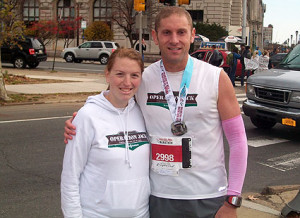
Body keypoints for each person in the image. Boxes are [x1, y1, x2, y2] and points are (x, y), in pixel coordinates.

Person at [64, 6, 248, 218]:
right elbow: (111, 98)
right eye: (166, 33)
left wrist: (233, 200)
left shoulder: (216, 78)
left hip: (208, 196)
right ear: (155, 36)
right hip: (159, 196)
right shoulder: (144, 78)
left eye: (181, 32)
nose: (174, 40)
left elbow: (238, 140)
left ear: (192, 36)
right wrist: (79, 118)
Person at [61, 48, 150, 218]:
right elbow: (70, 177)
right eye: (120, 74)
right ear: (107, 74)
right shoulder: (87, 116)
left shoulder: (142, 112)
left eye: (134, 75)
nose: (127, 82)